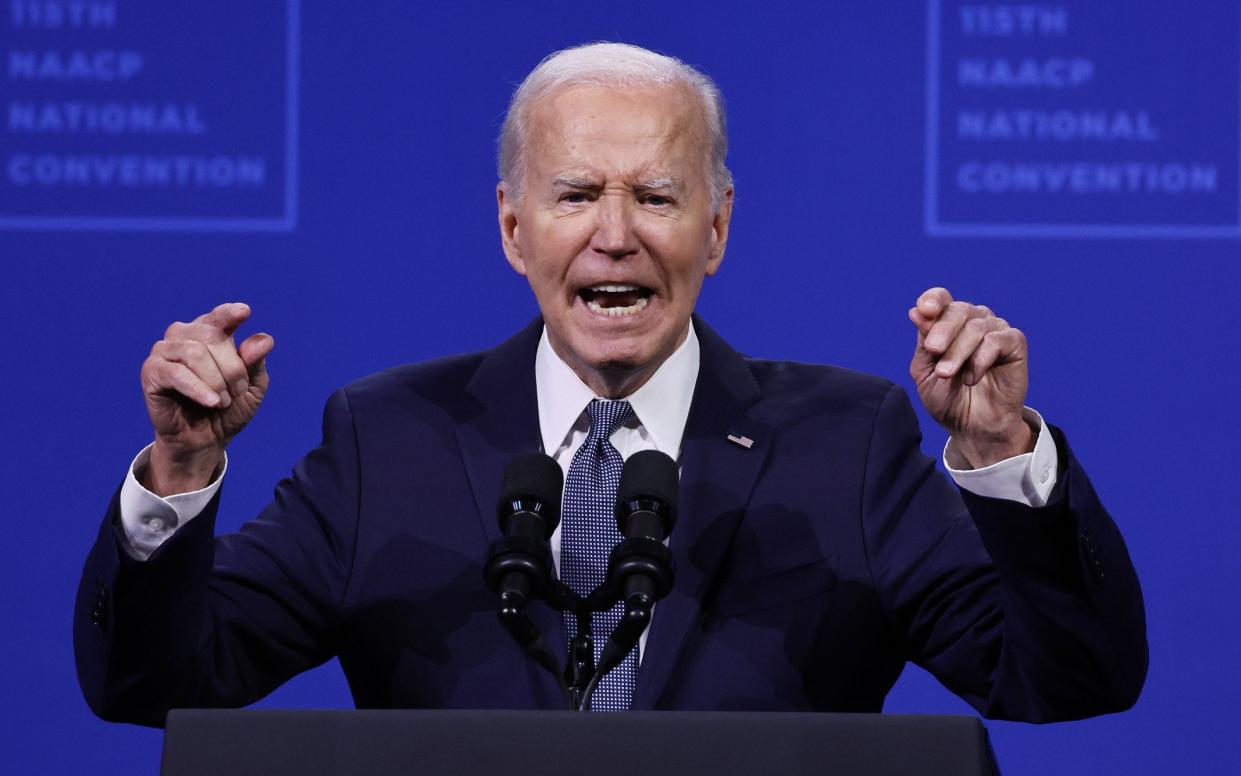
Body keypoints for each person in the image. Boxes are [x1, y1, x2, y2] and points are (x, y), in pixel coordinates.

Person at [75, 43, 1146, 726]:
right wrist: (180, 468)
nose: (615, 234)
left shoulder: (844, 440)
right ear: (512, 227)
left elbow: (1064, 680)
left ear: (716, 226)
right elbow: (153, 685)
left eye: (657, 196)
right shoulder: (384, 437)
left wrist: (1001, 455)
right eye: (577, 192)